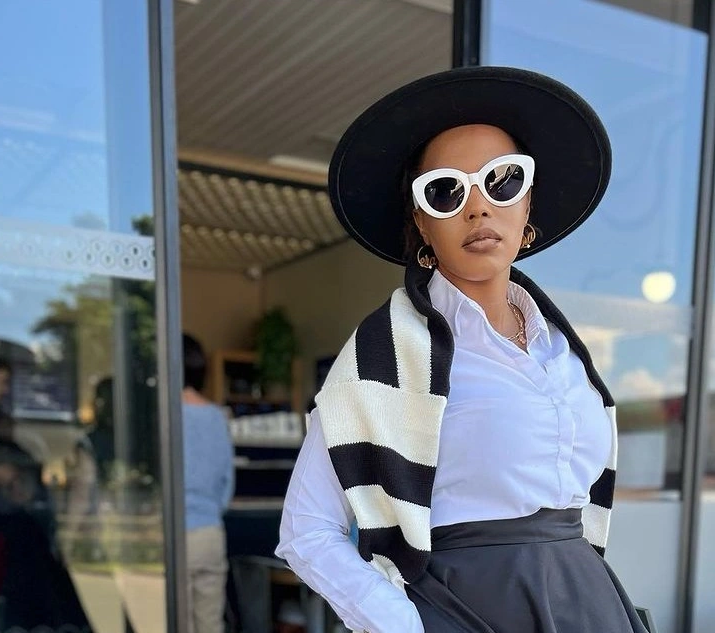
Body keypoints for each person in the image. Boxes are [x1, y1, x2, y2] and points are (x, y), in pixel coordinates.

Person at [276, 67, 649, 632]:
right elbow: (306, 530)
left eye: (501, 181)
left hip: (587, 603)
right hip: (462, 609)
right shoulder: (389, 353)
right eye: (446, 190)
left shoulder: (567, 355)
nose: (477, 207)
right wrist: (407, 626)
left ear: (528, 208)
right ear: (422, 224)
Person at [0, 339, 91, 633]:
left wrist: (68, 532)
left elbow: (76, 473)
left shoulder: (32, 426)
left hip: (24, 535)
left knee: (9, 609)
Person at [182, 333, 236, 633]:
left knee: (176, 621)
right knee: (210, 623)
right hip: (210, 533)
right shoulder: (217, 417)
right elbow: (226, 483)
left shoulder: (161, 416)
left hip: (172, 536)